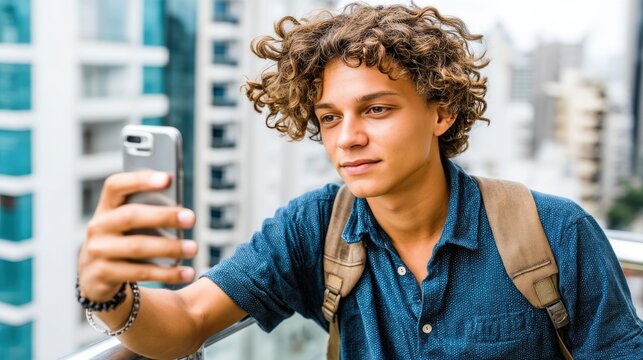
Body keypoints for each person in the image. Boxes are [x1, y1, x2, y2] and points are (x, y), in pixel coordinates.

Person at [76, 3, 643, 359]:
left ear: (440, 113)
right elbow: (187, 324)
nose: (346, 138)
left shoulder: (555, 231)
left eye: (376, 110)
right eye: (329, 117)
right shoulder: (317, 224)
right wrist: (105, 293)